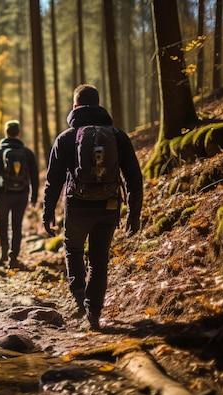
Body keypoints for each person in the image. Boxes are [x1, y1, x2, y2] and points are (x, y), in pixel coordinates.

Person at [42, 84, 143, 331]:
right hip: (108, 206)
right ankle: (94, 314)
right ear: (98, 104)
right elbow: (133, 177)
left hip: (76, 205)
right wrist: (134, 211)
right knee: (99, 261)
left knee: (73, 249)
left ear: (75, 105)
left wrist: (48, 213)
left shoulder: (66, 138)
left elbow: (53, 179)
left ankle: (78, 296)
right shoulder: (118, 136)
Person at [0, 120, 39, 268]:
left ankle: (3, 252)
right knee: (17, 225)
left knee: (2, 223)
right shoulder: (27, 153)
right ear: (19, 133)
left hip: (3, 194)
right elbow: (34, 176)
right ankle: (13, 257)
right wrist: (33, 197)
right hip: (22, 194)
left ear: (6, 133)